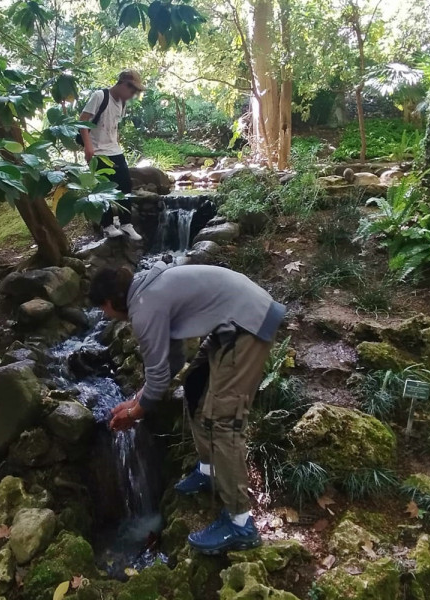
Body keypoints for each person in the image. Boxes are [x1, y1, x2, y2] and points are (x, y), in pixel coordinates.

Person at [89, 262, 287, 554]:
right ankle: (208, 471)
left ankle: (240, 523)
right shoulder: (145, 292)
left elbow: (158, 382)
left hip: (248, 323)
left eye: (102, 309)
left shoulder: (144, 309)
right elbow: (173, 362)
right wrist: (135, 400)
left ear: (108, 301)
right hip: (234, 318)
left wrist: (132, 414)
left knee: (223, 420)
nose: (105, 316)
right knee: (194, 386)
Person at [79, 70, 145, 241]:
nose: (132, 96)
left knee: (125, 186)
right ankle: (107, 226)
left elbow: (114, 126)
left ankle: (126, 224)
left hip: (115, 150)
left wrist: (116, 142)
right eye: (132, 91)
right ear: (123, 84)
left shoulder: (122, 103)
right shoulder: (100, 97)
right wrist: (88, 147)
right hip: (98, 151)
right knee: (104, 189)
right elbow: (83, 121)